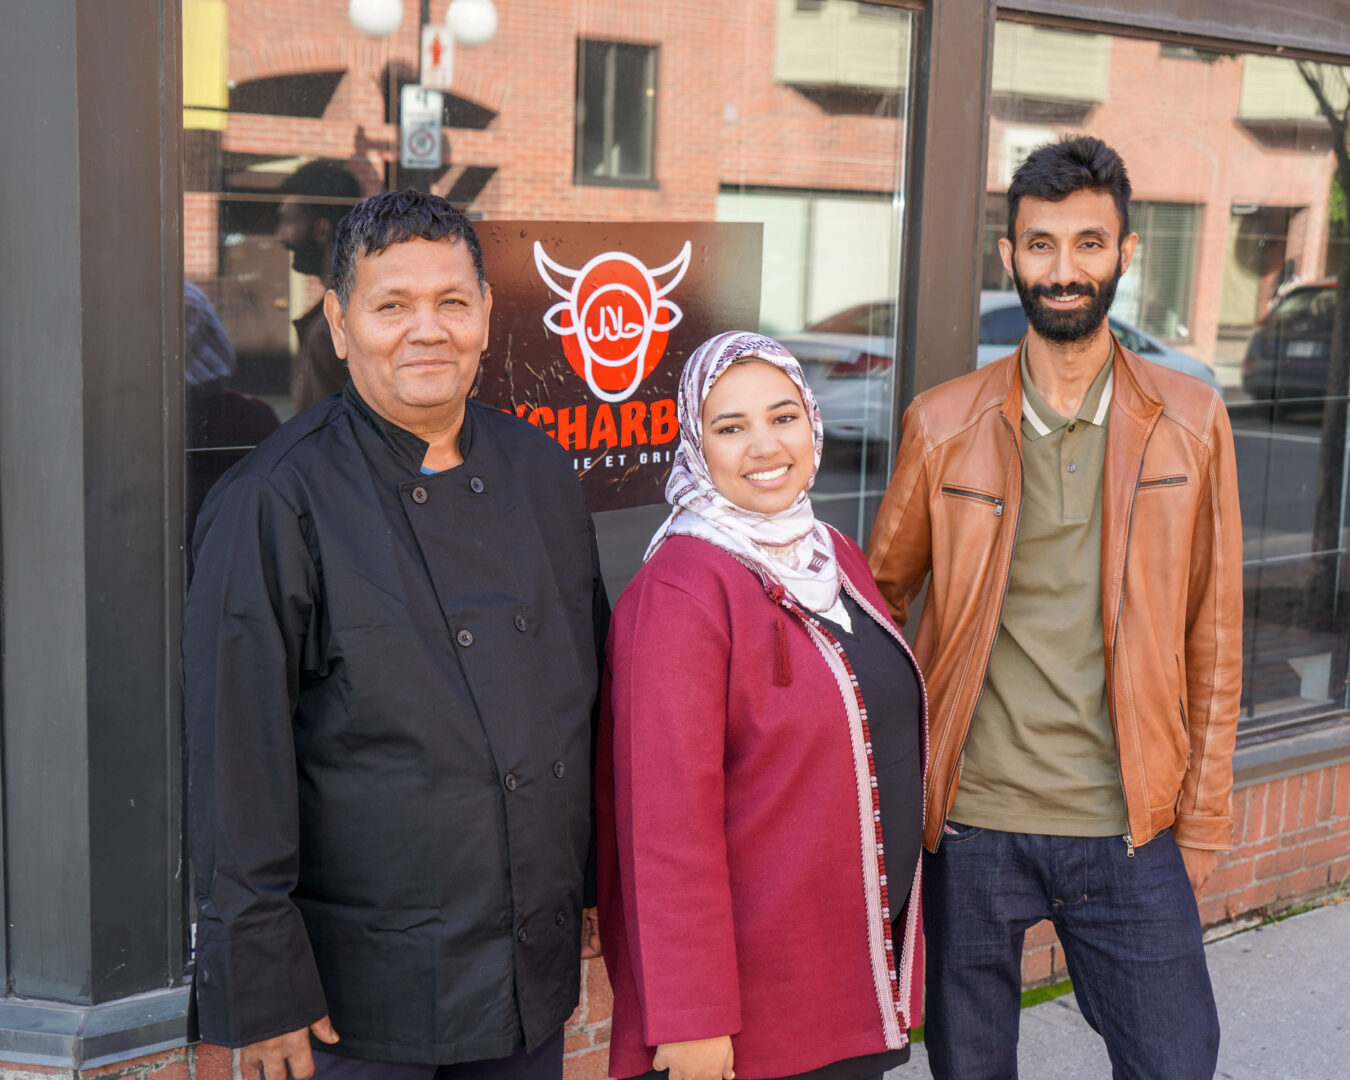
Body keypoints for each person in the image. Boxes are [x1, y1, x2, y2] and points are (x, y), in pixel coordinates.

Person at [184, 190, 607, 1080]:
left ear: (488, 316)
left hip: (523, 967)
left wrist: (594, 890)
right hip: (358, 1000)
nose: (428, 330)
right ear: (337, 322)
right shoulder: (274, 499)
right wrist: (263, 991)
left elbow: (580, 696)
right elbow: (236, 761)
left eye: (452, 302)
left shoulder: (537, 467)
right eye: (391, 305)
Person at [868, 135, 1241, 1079]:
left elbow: (1216, 636)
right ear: (1009, 256)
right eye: (1040, 245)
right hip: (971, 826)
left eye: (1088, 243)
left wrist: (1202, 822)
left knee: (1175, 1060)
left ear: (1126, 253)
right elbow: (878, 609)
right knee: (969, 1068)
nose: (1063, 269)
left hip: (1129, 820)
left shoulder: (1191, 421)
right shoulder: (943, 423)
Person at [597, 332, 926, 1080]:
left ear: (813, 423)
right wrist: (692, 1019)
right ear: (696, 445)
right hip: (754, 1020)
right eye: (731, 427)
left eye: (782, 417)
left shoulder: (831, 554)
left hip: (846, 978)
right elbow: (663, 827)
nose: (764, 446)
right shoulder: (681, 592)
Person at [275, 159, 362, 413]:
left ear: (322, 229)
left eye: (289, 221)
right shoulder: (333, 319)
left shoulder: (331, 330)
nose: (280, 235)